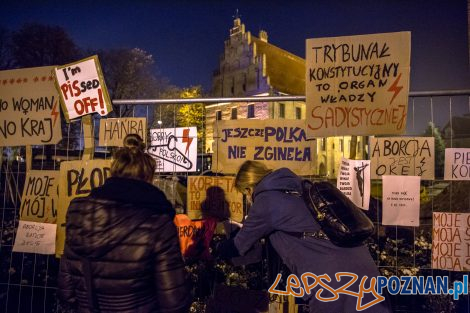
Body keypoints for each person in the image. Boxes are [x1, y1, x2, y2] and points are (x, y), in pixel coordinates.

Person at [221, 160, 391, 313]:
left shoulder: (266, 201)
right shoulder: (301, 186)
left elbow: (239, 245)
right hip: (361, 264)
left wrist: (214, 249)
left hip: (332, 279)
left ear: (248, 188)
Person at [58, 134, 192, 313]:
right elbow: (173, 301)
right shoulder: (158, 223)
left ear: (114, 172)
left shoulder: (80, 215)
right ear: (148, 176)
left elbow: (66, 287)